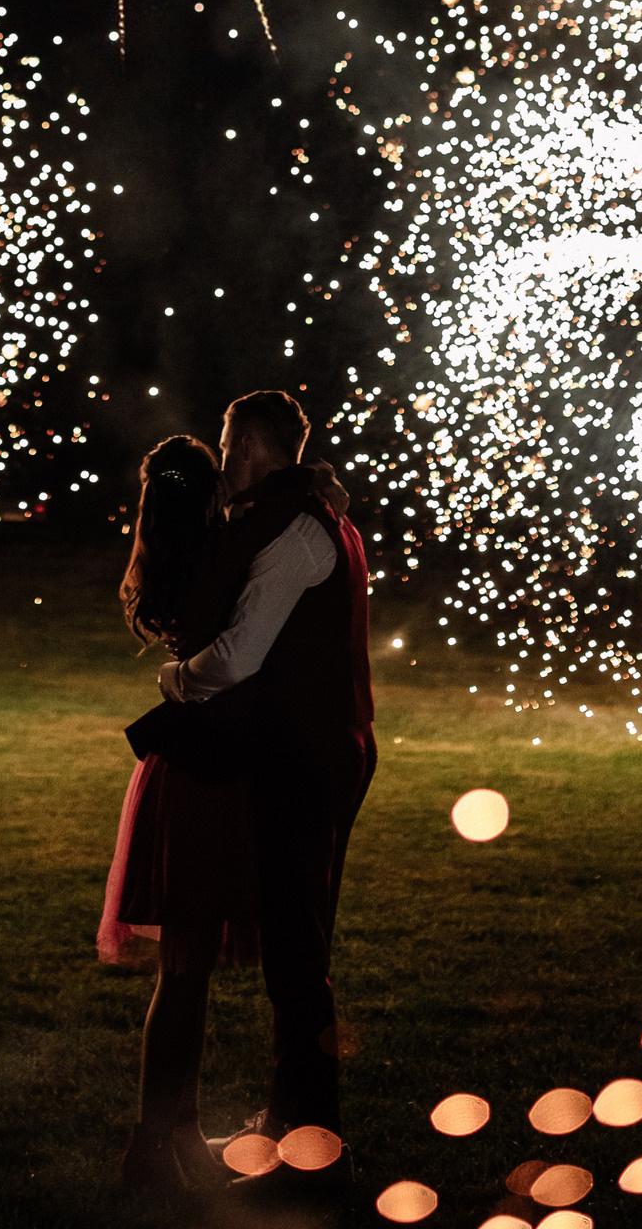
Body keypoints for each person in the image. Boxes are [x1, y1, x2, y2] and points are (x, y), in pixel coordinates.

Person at [156, 389, 376, 1196]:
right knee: (296, 947)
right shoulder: (319, 513)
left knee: (296, 957)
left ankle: (316, 1157)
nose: (222, 462)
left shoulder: (293, 533)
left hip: (304, 756)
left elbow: (243, 653)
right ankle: (290, 1125)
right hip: (324, 746)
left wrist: (177, 679)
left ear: (247, 442)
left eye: (227, 444)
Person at [99, 434, 259, 1195]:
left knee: (184, 974)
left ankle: (172, 1132)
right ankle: (158, 1140)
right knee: (185, 972)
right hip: (201, 779)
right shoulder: (215, 557)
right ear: (204, 492)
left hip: (180, 771)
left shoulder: (161, 555)